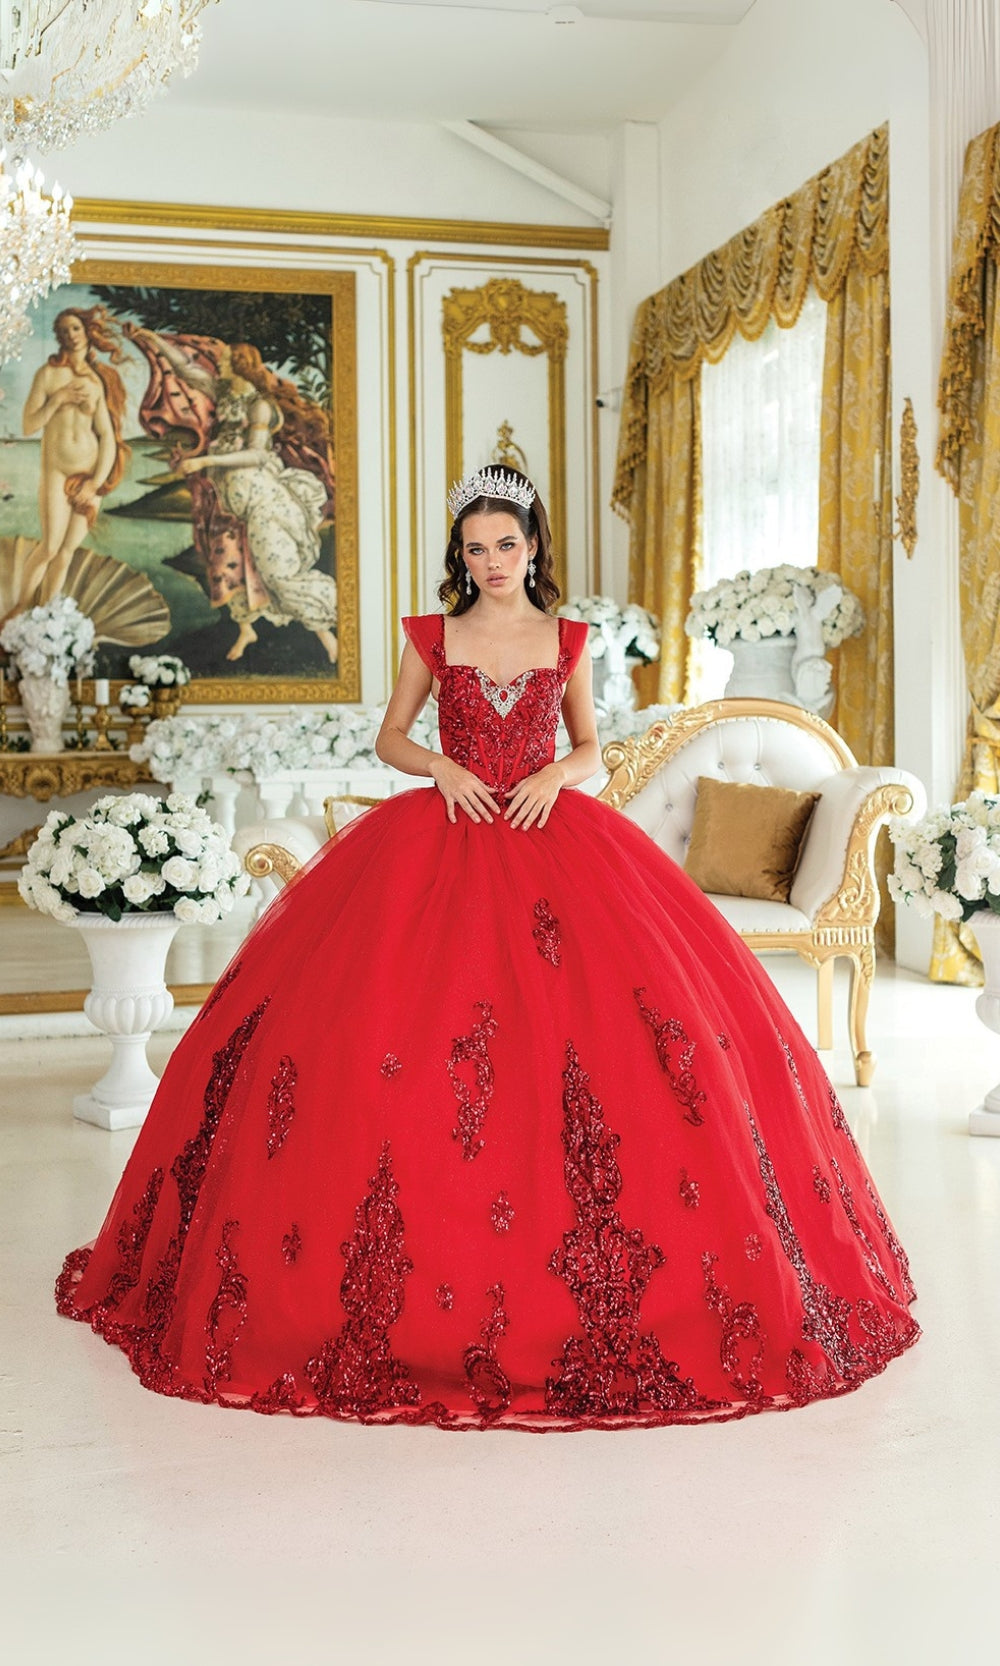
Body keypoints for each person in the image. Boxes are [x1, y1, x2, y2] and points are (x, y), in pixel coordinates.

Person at [55, 467, 918, 1430]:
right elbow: (389, 737)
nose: (492, 561)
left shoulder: (570, 639)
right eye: (475, 548)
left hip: (555, 836)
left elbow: (593, 748)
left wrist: (557, 774)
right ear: (459, 558)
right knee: (396, 1039)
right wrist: (442, 768)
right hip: (444, 833)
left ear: (534, 549)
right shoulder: (435, 636)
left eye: (506, 545)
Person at [125, 326, 339, 663]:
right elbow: (185, 369)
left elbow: (256, 455)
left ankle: (326, 636)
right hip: (228, 498)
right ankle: (245, 629)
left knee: (276, 571)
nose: (218, 365)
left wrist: (206, 460)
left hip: (262, 499)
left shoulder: (259, 405)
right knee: (226, 562)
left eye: (226, 361)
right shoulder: (224, 393)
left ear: (241, 365)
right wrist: (151, 340)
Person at [18, 307, 130, 607]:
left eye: (76, 328)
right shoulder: (48, 375)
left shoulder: (96, 381)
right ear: (59, 338)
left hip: (89, 477)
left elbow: (107, 436)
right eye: (64, 330)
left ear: (87, 332)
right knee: (50, 547)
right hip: (57, 472)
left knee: (67, 551)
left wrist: (95, 483)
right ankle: (20, 609)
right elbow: (29, 425)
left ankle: (46, 613)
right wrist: (58, 399)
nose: (71, 335)